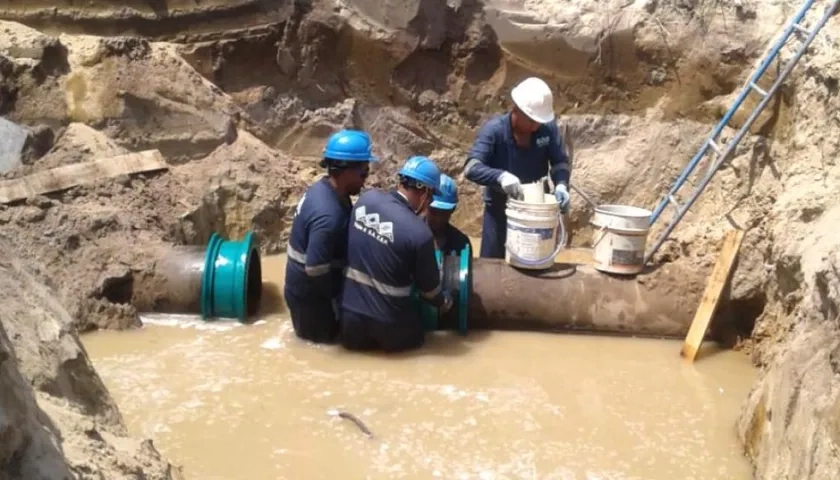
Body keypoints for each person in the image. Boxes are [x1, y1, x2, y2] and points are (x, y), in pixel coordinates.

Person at [338, 156, 454, 353]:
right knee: (417, 354)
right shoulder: (419, 233)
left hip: (350, 320)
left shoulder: (365, 200)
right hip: (391, 327)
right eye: (432, 196)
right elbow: (430, 292)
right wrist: (446, 302)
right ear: (425, 192)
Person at [284, 129, 377, 344]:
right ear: (346, 171)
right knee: (320, 348)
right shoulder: (328, 215)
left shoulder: (324, 189)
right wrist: (341, 298)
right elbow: (315, 269)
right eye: (363, 173)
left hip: (303, 290)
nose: (365, 180)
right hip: (312, 301)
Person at [463, 76, 572, 259]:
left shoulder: (547, 130)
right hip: (499, 214)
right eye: (531, 120)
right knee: (492, 268)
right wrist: (500, 177)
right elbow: (471, 168)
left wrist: (561, 184)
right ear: (517, 110)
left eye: (539, 121)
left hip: (535, 215)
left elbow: (559, 162)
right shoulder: (495, 131)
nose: (535, 126)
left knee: (535, 264)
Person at [426, 173, 473, 256]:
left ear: (453, 210)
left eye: (444, 213)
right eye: (434, 212)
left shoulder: (461, 243)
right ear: (425, 204)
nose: (438, 219)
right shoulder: (411, 237)